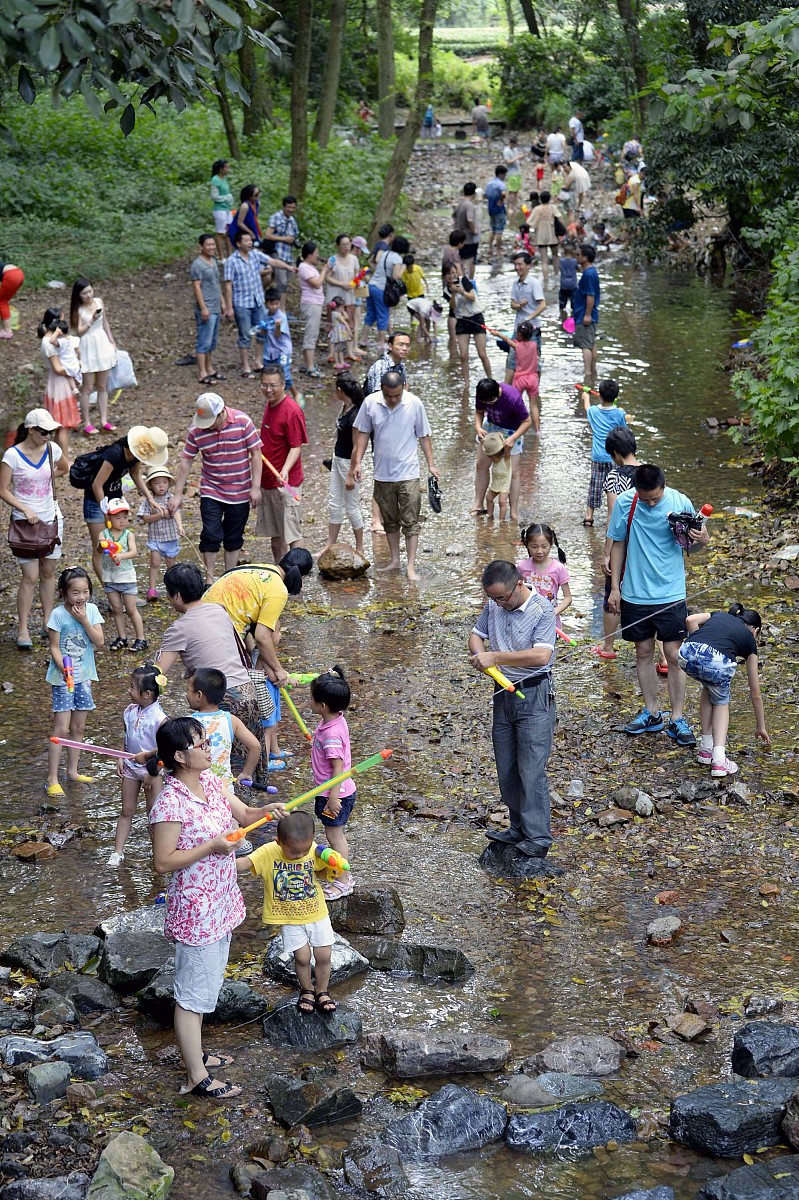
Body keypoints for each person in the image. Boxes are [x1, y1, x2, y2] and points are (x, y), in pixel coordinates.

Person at [148, 717, 285, 1098]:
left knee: (207, 985)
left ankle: (196, 1054)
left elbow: (244, 816)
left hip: (221, 899)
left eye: (207, 742)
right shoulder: (170, 802)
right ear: (179, 756)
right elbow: (162, 861)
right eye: (201, 744)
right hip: (196, 909)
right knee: (192, 996)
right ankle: (196, 1076)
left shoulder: (210, 780)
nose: (209, 749)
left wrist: (267, 810)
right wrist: (211, 846)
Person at [607, 463, 710, 744]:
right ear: (636, 491)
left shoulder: (680, 501)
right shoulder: (626, 503)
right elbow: (618, 544)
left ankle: (677, 718)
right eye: (646, 499)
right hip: (635, 592)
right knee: (643, 652)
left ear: (664, 487)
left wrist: (703, 539)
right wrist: (614, 588)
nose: (651, 503)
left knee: (674, 656)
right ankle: (652, 712)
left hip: (670, 593)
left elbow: (693, 546)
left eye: (656, 498)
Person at [468, 560, 556, 858]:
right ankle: (518, 828)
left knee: (530, 769)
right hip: (502, 692)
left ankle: (538, 837)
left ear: (518, 584)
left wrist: (496, 657)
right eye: (492, 599)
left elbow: (541, 655)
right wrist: (481, 656)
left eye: (502, 598)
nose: (498, 604)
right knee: (506, 767)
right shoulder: (493, 604)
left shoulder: (542, 609)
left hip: (534, 694)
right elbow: (476, 635)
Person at [157, 563, 271, 781]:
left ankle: (228, 800)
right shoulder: (219, 610)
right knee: (248, 752)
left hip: (219, 698)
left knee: (220, 760)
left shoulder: (178, 629)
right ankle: (252, 791)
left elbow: (159, 672)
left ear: (177, 595)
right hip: (247, 690)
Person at [236, 810, 337, 1015]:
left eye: (304, 851)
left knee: (324, 955)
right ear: (278, 841)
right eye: (293, 853)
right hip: (289, 917)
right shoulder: (268, 852)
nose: (300, 855)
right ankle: (307, 989)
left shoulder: (314, 849)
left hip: (317, 912)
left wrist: (333, 867)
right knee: (302, 957)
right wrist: (220, 854)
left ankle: (322, 990)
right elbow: (244, 864)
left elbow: (322, 873)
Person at [348, 370, 439, 581]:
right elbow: (363, 433)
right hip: (382, 473)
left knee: (411, 521)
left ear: (404, 387)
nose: (393, 400)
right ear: (381, 389)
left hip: (409, 472)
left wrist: (431, 464)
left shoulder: (414, 404)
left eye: (397, 395)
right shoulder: (371, 403)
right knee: (389, 520)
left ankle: (411, 566)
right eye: (388, 395)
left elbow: (424, 435)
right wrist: (357, 462)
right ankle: (395, 560)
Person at [169, 393, 261, 582]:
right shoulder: (196, 429)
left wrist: (256, 487)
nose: (208, 426)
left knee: (233, 536)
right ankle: (210, 578)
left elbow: (256, 454)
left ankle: (229, 578)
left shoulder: (242, 422)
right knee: (210, 534)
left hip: (240, 490)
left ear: (221, 413)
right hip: (211, 489)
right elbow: (186, 461)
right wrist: (177, 494)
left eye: (211, 422)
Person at [0, 409, 68, 649]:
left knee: (48, 573)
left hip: (51, 518)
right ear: (30, 430)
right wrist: (25, 509)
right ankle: (23, 629)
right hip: (24, 523)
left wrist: (45, 480)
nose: (47, 435)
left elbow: (64, 467)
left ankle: (48, 623)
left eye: (50, 432)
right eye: (43, 431)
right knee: (29, 576)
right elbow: (3, 489)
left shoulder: (52, 449)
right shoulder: (12, 456)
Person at [680, 603, 770, 778]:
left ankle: (706, 749)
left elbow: (690, 620)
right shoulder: (750, 640)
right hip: (716, 661)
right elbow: (755, 692)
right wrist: (760, 726)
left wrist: (701, 651)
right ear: (756, 630)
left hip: (686, 653)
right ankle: (719, 760)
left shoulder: (720, 615)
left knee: (709, 686)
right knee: (721, 701)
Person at [203, 553, 313, 689]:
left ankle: (259, 669)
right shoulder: (278, 589)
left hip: (200, 619)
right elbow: (262, 637)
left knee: (268, 632)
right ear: (301, 577)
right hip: (217, 636)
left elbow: (244, 617)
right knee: (272, 629)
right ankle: (260, 675)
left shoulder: (258, 569)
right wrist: (279, 670)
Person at [78, 425, 169, 585]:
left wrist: (150, 498)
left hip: (117, 501)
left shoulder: (135, 457)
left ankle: (120, 584)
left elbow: (135, 475)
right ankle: (108, 588)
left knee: (120, 544)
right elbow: (97, 485)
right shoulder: (114, 454)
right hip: (96, 502)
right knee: (101, 546)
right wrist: (106, 512)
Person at [46, 567, 105, 797]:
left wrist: (84, 621)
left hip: (84, 677)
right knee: (61, 728)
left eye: (85, 591)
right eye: (75, 593)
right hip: (63, 678)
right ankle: (52, 778)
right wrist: (64, 669)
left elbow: (99, 641)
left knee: (78, 727)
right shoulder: (58, 615)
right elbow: (54, 647)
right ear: (64, 592)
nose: (81, 597)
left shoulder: (91, 610)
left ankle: (73, 771)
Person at [108, 665, 168, 867]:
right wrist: (120, 756)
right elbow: (126, 736)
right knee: (126, 809)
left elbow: (165, 751)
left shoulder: (160, 719)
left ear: (147, 694)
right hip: (130, 768)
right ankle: (118, 852)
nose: (129, 690)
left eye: (133, 687)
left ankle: (158, 853)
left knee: (154, 814)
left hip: (153, 771)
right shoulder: (129, 711)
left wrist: (153, 772)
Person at [593, 424, 640, 660]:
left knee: (613, 591)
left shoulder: (614, 476)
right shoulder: (650, 472)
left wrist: (607, 553)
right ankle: (663, 658)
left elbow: (613, 516)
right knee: (647, 595)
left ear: (615, 453)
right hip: (644, 542)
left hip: (623, 542)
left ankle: (608, 647)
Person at [309, 667, 355, 899]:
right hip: (335, 791)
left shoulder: (331, 734)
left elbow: (338, 768)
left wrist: (333, 797)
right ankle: (341, 873)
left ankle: (343, 880)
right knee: (335, 835)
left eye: (311, 698)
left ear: (322, 706)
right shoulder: (335, 719)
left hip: (335, 794)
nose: (309, 701)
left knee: (335, 837)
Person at [257, 364, 308, 561]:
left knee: (292, 534)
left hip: (287, 483)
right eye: (264, 385)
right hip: (268, 481)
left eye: (273, 385)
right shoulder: (269, 405)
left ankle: (297, 574)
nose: (268, 390)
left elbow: (296, 447)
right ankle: (280, 572)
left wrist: (285, 470)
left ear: (283, 384)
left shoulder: (292, 411)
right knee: (276, 537)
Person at [186, 667, 262, 787]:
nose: (186, 694)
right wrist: (246, 773)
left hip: (197, 788)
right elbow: (255, 746)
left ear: (199, 695)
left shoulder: (188, 723)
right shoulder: (230, 720)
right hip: (224, 788)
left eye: (188, 690)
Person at [224, 229, 284, 379]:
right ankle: (245, 366)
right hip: (241, 303)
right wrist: (229, 307)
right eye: (246, 240)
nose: (250, 243)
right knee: (245, 335)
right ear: (238, 243)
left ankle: (258, 361)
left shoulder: (255, 255)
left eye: (250, 240)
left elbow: (272, 261)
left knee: (262, 331)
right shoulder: (231, 261)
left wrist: (288, 267)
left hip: (257, 300)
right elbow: (228, 285)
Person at [317, 375, 365, 558]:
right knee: (334, 503)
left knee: (351, 506)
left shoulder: (355, 415)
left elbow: (357, 446)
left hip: (348, 463)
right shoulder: (344, 408)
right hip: (337, 459)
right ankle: (330, 544)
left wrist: (351, 473)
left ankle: (360, 547)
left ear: (340, 390)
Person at [472, 378, 531, 521]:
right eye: (486, 402)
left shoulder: (512, 398)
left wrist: (513, 438)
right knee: (481, 464)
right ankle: (478, 504)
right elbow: (479, 412)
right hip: (491, 427)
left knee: (513, 472)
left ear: (498, 392)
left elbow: (527, 421)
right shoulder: (483, 394)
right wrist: (478, 427)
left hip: (513, 431)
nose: (488, 404)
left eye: (491, 401)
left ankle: (513, 511)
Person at [69, 278, 117, 436]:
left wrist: (111, 341)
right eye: (84, 293)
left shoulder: (99, 302)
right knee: (88, 387)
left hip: (101, 342)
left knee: (102, 386)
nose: (88, 295)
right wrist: (91, 320)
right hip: (88, 345)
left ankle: (104, 420)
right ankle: (87, 423)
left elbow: (105, 322)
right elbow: (79, 332)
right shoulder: (78, 309)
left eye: (90, 291)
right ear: (78, 295)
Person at [100, 496, 147, 653]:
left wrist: (121, 555)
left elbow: (134, 552)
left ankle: (141, 638)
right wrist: (104, 545)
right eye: (117, 518)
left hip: (126, 577)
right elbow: (99, 549)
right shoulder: (104, 534)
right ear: (109, 518)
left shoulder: (128, 535)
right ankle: (122, 637)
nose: (121, 521)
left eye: (125, 518)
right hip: (110, 578)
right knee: (116, 609)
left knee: (131, 609)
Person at [581, 378, 627, 526]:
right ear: (616, 397)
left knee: (595, 486)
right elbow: (624, 431)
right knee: (614, 486)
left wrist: (586, 397)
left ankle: (589, 516)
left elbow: (587, 408)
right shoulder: (619, 413)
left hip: (598, 458)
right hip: (615, 457)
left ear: (600, 395)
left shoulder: (594, 412)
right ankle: (612, 516)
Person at [443, 266, 492, 391]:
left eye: (454, 273)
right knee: (463, 355)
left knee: (482, 353)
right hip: (462, 321)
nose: (452, 276)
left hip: (476, 317)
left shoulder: (464, 280)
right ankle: (467, 384)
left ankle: (490, 379)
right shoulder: (446, 290)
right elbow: (452, 307)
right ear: (445, 276)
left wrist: (462, 291)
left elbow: (473, 297)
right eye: (449, 274)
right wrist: (453, 293)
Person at [138, 467, 183, 602]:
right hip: (155, 539)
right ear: (151, 485)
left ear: (168, 483)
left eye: (164, 482)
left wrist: (180, 526)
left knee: (171, 565)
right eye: (157, 483)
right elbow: (145, 518)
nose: (161, 486)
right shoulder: (149, 501)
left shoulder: (171, 499)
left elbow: (176, 513)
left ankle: (172, 588)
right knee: (154, 562)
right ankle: (152, 589)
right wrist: (159, 515)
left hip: (171, 538)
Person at [38, 311, 81, 450]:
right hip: (60, 384)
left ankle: (59, 457)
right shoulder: (50, 343)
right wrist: (75, 368)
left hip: (55, 383)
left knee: (59, 426)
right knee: (63, 426)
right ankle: (64, 458)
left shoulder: (47, 340)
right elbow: (58, 368)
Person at [488, 320, 540, 435]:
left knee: (515, 405)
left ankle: (516, 428)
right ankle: (537, 431)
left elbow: (506, 339)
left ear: (519, 334)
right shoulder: (534, 345)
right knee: (533, 405)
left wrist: (497, 333)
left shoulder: (517, 346)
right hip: (533, 379)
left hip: (520, 379)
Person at [517, 523, 572, 628]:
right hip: (527, 621)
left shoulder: (558, 568)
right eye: (534, 547)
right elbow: (516, 592)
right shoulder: (522, 567)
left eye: (544, 546)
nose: (539, 551)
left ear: (551, 544)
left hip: (550, 623)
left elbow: (568, 598)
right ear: (527, 544)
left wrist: (553, 612)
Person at [190, 234, 226, 386]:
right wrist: (203, 307)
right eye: (208, 245)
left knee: (212, 341)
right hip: (206, 307)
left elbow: (216, 284)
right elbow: (197, 287)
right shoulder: (197, 265)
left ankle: (210, 368)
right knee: (204, 341)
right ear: (201, 247)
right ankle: (202, 372)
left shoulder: (214, 261)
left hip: (216, 306)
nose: (212, 247)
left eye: (213, 244)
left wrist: (223, 302)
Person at [363, 235, 407, 353]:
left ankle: (363, 339)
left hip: (372, 285)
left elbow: (375, 264)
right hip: (381, 288)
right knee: (383, 315)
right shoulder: (397, 258)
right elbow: (396, 276)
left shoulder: (385, 253)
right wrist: (403, 268)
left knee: (371, 314)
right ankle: (381, 343)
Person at [325, 235, 362, 364]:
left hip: (349, 296)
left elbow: (357, 275)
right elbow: (327, 277)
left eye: (348, 244)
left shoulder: (354, 259)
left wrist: (356, 282)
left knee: (349, 322)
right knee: (333, 323)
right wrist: (342, 284)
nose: (346, 247)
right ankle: (331, 353)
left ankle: (350, 352)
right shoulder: (333, 259)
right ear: (338, 246)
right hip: (335, 296)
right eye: (343, 245)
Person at [257, 288, 299, 402]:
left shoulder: (282, 317)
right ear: (267, 304)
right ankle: (276, 397)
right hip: (270, 350)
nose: (274, 306)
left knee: (284, 373)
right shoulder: (265, 315)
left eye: (277, 304)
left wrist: (278, 326)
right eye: (272, 304)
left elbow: (278, 335)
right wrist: (262, 328)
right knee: (269, 374)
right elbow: (262, 333)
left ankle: (295, 393)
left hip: (282, 350)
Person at [508, 252, 545, 375]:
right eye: (515, 264)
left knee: (535, 362)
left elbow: (543, 305)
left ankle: (535, 386)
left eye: (520, 264)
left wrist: (529, 318)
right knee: (512, 360)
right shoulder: (515, 283)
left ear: (528, 266)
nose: (517, 267)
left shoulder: (534, 283)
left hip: (532, 329)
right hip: (518, 329)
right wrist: (519, 305)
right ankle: (508, 385)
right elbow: (512, 304)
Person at [297, 242, 330, 379]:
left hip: (315, 303)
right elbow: (316, 284)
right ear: (309, 255)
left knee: (312, 333)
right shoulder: (304, 267)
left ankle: (306, 364)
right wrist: (324, 270)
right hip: (311, 304)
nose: (317, 256)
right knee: (311, 334)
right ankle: (310, 368)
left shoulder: (310, 267)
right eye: (316, 254)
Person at [574, 244, 600, 381]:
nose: (576, 256)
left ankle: (587, 374)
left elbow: (590, 295)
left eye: (578, 254)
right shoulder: (591, 272)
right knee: (591, 343)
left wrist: (587, 314)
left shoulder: (588, 274)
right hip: (590, 314)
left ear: (585, 257)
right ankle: (593, 371)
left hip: (585, 314)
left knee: (585, 345)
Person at [264, 195, 300, 294]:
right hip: (277, 252)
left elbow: (295, 234)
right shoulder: (276, 218)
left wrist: (293, 240)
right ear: (284, 206)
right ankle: (279, 303)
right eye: (289, 207)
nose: (291, 210)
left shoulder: (292, 220)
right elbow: (268, 235)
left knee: (288, 277)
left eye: (293, 207)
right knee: (282, 282)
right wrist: (284, 239)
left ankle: (269, 295)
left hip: (288, 254)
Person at [363, 330, 410, 397]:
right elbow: (377, 397)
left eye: (407, 345)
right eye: (400, 345)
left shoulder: (400, 364)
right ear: (390, 346)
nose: (405, 348)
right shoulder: (380, 366)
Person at [530, 191, 560, 290]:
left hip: (541, 236)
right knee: (555, 256)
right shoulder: (553, 208)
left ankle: (546, 281)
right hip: (552, 235)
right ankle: (556, 276)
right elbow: (559, 218)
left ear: (540, 199)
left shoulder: (537, 209)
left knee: (544, 260)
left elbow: (530, 222)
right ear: (549, 198)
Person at [480, 430, 511, 521]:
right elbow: (485, 446)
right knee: (488, 498)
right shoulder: (493, 459)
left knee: (502, 501)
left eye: (492, 457)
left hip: (504, 484)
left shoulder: (506, 458)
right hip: (495, 483)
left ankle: (501, 519)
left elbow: (507, 448)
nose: (491, 459)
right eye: (489, 457)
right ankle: (490, 514)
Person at [453, 183, 480, 279]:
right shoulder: (469, 205)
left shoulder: (460, 203)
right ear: (474, 193)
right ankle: (469, 282)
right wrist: (474, 231)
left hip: (461, 238)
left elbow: (454, 217)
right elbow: (470, 219)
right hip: (470, 239)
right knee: (470, 262)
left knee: (462, 261)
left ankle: (461, 280)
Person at [210, 159, 234, 260]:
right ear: (221, 169)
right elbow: (214, 196)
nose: (228, 169)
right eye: (226, 167)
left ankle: (230, 255)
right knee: (220, 232)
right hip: (219, 210)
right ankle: (221, 257)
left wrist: (229, 198)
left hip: (227, 209)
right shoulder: (215, 180)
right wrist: (225, 198)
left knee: (229, 232)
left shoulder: (224, 179)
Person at [484, 165, 509, 256]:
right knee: (499, 231)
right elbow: (503, 193)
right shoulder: (501, 184)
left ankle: (490, 248)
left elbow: (485, 195)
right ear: (500, 174)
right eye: (504, 174)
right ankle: (498, 250)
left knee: (492, 230)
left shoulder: (489, 184)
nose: (505, 176)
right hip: (499, 209)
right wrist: (500, 200)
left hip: (491, 209)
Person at [0, 261, 24, 339]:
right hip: (19, 273)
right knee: (3, 301)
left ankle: (7, 331)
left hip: (11, 275)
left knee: (1, 302)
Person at [328, 299, 352, 371]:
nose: (343, 309)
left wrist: (343, 311)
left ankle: (342, 362)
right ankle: (337, 362)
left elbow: (346, 317)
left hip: (341, 333)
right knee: (336, 349)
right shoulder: (336, 314)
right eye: (342, 307)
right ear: (337, 307)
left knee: (341, 349)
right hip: (338, 333)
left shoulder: (338, 313)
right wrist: (349, 331)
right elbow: (345, 322)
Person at [503, 136, 524, 215]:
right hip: (511, 173)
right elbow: (508, 161)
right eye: (515, 144)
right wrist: (517, 158)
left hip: (518, 172)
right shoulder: (506, 151)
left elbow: (516, 159)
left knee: (516, 191)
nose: (516, 146)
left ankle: (514, 206)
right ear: (511, 143)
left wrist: (520, 158)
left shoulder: (515, 149)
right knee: (511, 191)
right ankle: (509, 207)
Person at [558, 244, 578, 321]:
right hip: (573, 284)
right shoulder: (574, 261)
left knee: (562, 303)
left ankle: (562, 317)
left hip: (563, 284)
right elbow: (579, 269)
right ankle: (573, 318)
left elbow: (559, 268)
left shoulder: (561, 261)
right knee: (573, 303)